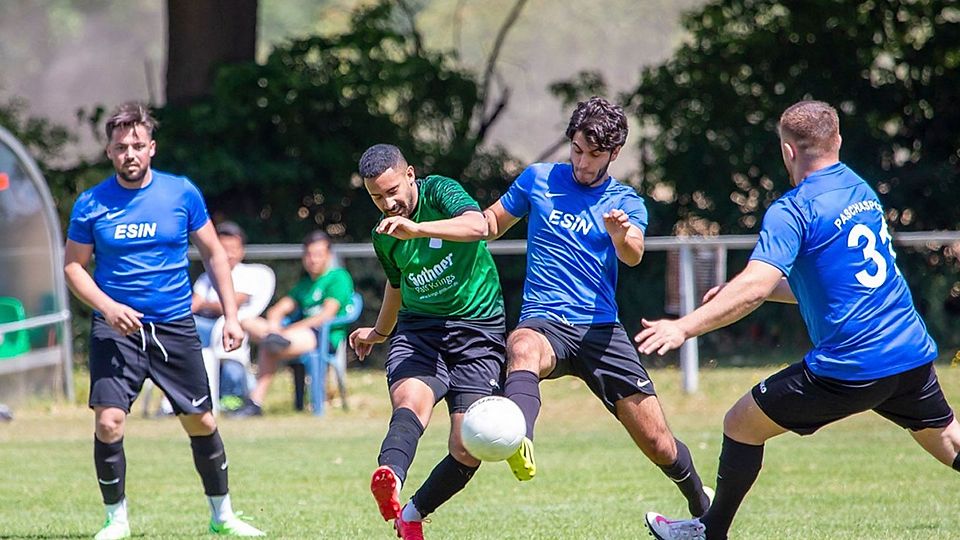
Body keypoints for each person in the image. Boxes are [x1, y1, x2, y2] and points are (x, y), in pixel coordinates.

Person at [638, 100, 960, 540]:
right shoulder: (859, 189)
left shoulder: (794, 209)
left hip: (851, 367)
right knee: (949, 444)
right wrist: (745, 292)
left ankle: (709, 533)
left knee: (740, 424)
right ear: (838, 141)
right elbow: (828, 286)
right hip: (908, 354)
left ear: (788, 152)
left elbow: (753, 285)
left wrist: (683, 326)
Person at [483, 96, 712, 516]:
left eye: (594, 154)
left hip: (600, 331)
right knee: (521, 348)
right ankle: (519, 437)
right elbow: (489, 224)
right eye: (576, 150)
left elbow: (634, 255)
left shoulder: (626, 202)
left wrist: (621, 234)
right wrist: (435, 226)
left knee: (658, 442)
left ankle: (703, 506)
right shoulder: (538, 180)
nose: (583, 162)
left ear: (614, 153)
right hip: (545, 318)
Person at [63, 102, 264, 538]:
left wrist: (232, 316)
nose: (129, 154)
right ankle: (116, 519)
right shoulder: (90, 203)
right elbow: (74, 268)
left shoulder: (181, 193)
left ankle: (222, 516)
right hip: (116, 329)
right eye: (120, 147)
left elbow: (213, 252)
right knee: (108, 421)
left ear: (151, 148)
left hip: (174, 325)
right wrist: (108, 308)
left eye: (137, 145)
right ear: (109, 152)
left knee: (202, 422)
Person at [349, 143, 506, 539]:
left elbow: (480, 226)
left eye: (392, 191)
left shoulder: (440, 192)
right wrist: (379, 333)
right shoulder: (383, 236)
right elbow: (396, 285)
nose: (387, 203)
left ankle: (413, 515)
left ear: (410, 175)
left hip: (478, 329)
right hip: (419, 330)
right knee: (410, 403)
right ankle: (391, 478)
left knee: (467, 445)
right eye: (376, 197)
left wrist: (418, 228)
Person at [231, 230, 354, 417]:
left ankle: (255, 401)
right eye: (309, 255)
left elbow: (325, 316)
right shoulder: (305, 283)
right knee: (248, 322)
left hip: (321, 336)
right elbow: (276, 310)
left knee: (270, 345)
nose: (313, 260)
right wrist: (274, 325)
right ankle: (273, 339)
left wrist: (287, 329)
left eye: (318, 255)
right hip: (292, 336)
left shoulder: (339, 277)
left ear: (328, 255)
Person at [191, 221, 271, 407]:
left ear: (242, 250)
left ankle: (232, 398)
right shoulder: (206, 277)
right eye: (223, 248)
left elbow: (232, 303)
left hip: (224, 327)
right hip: (205, 327)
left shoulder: (248, 275)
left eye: (233, 248)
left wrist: (207, 304)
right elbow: (193, 304)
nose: (228, 254)